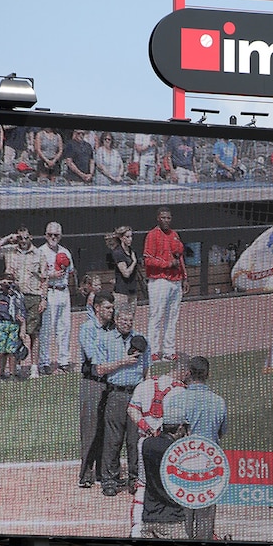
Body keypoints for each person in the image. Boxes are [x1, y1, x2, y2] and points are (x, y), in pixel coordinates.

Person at [128, 357, 190, 538]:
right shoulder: (181, 391)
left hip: (145, 443)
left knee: (143, 485)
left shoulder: (145, 384)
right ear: (184, 372)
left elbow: (131, 409)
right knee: (171, 486)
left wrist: (147, 428)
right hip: (171, 447)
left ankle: (136, 529)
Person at [95, 306, 150, 496]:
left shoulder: (142, 340)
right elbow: (100, 369)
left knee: (135, 439)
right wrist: (123, 362)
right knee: (113, 439)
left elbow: (146, 369)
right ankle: (110, 479)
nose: (127, 324)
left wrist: (148, 392)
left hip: (136, 394)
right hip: (116, 394)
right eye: (124, 320)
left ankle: (135, 479)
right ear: (116, 320)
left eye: (130, 321)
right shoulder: (105, 339)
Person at [171, 355, 226, 539]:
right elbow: (221, 431)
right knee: (206, 516)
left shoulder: (176, 399)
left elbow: (170, 433)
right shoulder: (219, 402)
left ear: (188, 373)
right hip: (209, 465)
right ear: (208, 374)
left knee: (183, 513)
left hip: (181, 465)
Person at [0, 225, 47, 378]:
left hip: (33, 296)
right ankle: (15, 366)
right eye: (20, 237)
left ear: (31, 237)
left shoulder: (39, 254)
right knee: (13, 331)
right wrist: (7, 238)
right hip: (14, 296)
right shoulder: (10, 250)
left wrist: (43, 299)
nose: (23, 241)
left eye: (26, 237)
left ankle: (34, 367)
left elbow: (44, 279)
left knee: (33, 333)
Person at [77, 291, 114, 488]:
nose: (111, 311)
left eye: (112, 307)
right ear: (97, 308)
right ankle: (85, 474)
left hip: (110, 382)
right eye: (107, 307)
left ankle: (103, 472)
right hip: (92, 381)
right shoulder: (87, 329)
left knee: (107, 429)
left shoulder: (112, 329)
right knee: (90, 428)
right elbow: (94, 358)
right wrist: (116, 362)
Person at [143, 207, 188, 362]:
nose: (166, 220)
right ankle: (153, 351)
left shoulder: (174, 235)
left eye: (168, 218)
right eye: (163, 218)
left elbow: (180, 258)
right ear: (158, 218)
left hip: (175, 281)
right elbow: (148, 259)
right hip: (159, 280)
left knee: (172, 317)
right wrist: (168, 264)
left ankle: (169, 350)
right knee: (156, 316)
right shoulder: (152, 235)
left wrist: (185, 277)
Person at [37, 222, 75, 375]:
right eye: (50, 234)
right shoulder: (40, 251)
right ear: (45, 235)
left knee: (64, 328)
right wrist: (49, 275)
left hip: (63, 291)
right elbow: (35, 275)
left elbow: (71, 271)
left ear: (61, 236)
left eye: (56, 235)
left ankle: (64, 361)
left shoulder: (65, 251)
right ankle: (44, 362)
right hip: (49, 292)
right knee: (46, 328)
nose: (53, 237)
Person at [0, 272, 27, 380]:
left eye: (11, 284)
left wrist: (23, 329)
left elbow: (23, 313)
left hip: (14, 325)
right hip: (2, 325)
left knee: (12, 351)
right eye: (7, 284)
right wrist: (0, 283)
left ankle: (13, 374)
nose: (9, 287)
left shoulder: (18, 297)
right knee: (0, 351)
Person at [109, 226, 139, 315]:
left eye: (131, 236)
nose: (130, 239)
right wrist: (134, 262)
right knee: (120, 318)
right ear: (121, 238)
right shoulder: (118, 252)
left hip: (132, 291)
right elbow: (126, 273)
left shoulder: (131, 251)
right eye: (127, 237)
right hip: (122, 292)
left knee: (130, 319)